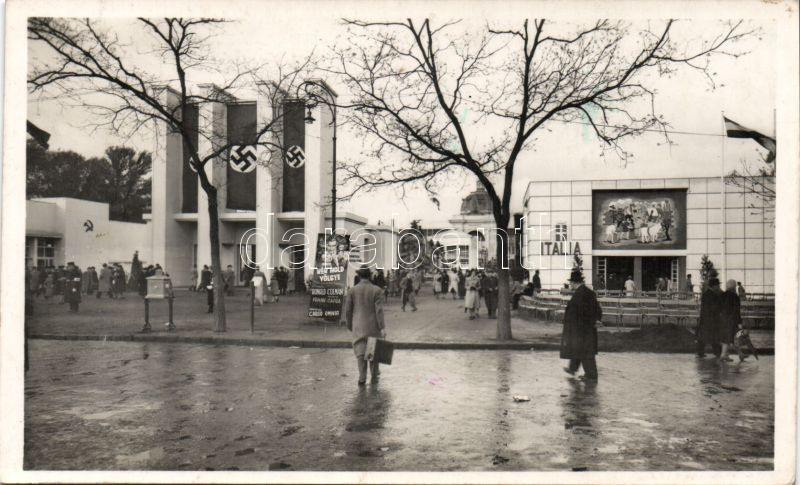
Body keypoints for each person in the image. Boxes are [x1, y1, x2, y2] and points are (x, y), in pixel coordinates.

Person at [345, 267, 386, 386]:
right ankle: (374, 377)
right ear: (370, 276)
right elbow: (379, 311)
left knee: (360, 352)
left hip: (358, 325)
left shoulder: (352, 291)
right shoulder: (377, 290)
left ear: (359, 276)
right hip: (373, 326)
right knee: (372, 351)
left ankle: (362, 377)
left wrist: (349, 325)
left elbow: (348, 311)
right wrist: (382, 327)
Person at [560, 268, 603, 381]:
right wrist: (597, 319)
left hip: (581, 328)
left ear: (574, 283)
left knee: (585, 351)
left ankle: (591, 375)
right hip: (585, 327)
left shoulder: (581, 294)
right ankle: (573, 368)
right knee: (580, 348)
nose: (570, 285)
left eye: (571, 283)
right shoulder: (587, 292)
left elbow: (582, 312)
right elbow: (597, 309)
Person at [696, 278, 724, 358]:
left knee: (703, 336)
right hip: (713, 319)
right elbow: (717, 307)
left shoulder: (705, 294)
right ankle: (718, 353)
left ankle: (700, 353)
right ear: (714, 286)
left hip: (705, 318)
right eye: (718, 285)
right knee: (714, 336)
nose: (719, 286)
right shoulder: (715, 295)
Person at [720, 279, 743, 362]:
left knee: (726, 337)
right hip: (732, 320)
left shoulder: (722, 295)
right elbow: (737, 311)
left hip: (722, 320)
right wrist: (739, 322)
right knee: (733, 337)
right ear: (734, 287)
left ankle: (730, 355)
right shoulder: (735, 296)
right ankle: (724, 355)